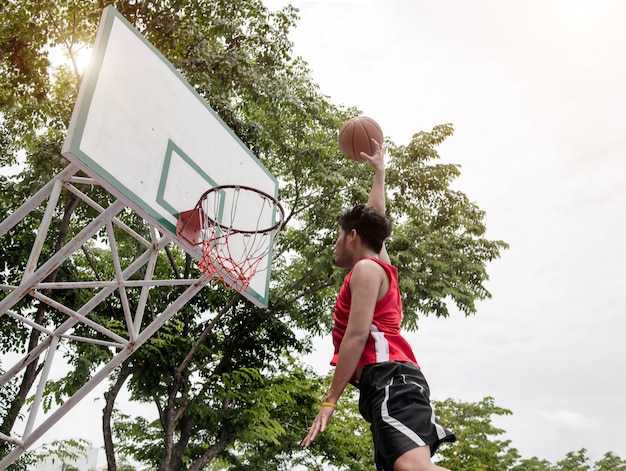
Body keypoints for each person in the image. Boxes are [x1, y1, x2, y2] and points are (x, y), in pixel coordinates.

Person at [300, 139, 456, 471]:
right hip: (387, 382)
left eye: (338, 235)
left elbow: (356, 338)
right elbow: (376, 220)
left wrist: (330, 401)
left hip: (390, 378)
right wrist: (379, 173)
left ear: (352, 236)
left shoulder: (367, 269)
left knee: (412, 468)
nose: (335, 244)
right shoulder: (375, 263)